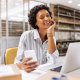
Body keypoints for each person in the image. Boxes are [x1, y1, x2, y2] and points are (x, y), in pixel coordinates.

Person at [14, 4, 59, 72]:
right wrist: (23, 66)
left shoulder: (51, 38)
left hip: (46, 74)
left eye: (48, 15)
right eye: (41, 17)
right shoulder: (26, 36)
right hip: (31, 74)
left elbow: (54, 61)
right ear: (35, 22)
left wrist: (50, 32)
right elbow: (17, 63)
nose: (46, 18)